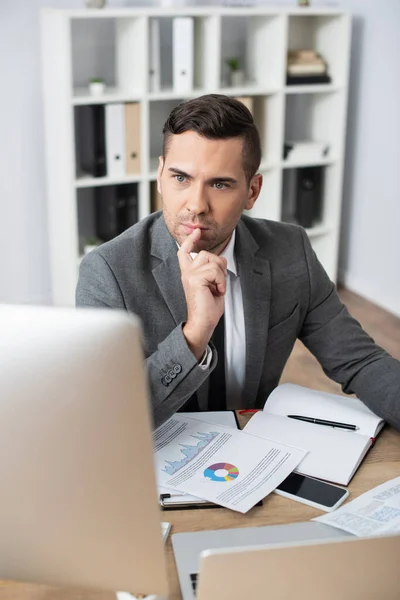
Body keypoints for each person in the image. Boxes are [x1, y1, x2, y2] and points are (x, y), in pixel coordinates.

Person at [76, 94, 400, 430]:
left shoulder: (291, 251)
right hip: (158, 464)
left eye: (219, 184)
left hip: (256, 457)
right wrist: (194, 335)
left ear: (252, 191)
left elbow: (361, 362)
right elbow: (106, 416)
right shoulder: (107, 272)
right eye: (181, 178)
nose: (197, 204)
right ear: (160, 175)